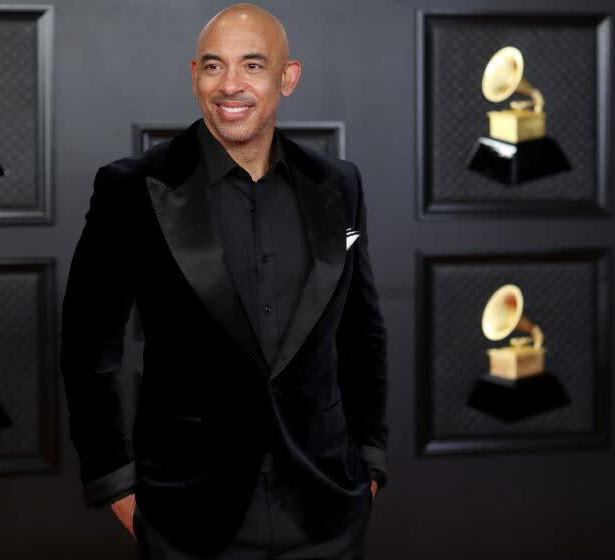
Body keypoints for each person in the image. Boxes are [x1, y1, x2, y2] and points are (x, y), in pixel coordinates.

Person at [59, 4, 388, 559]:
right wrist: (114, 482)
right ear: (194, 77)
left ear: (288, 78)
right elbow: (88, 346)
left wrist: (371, 460)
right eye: (213, 67)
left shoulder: (339, 184)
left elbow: (362, 331)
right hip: (186, 513)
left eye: (252, 66)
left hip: (326, 504)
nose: (229, 85)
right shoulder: (132, 188)